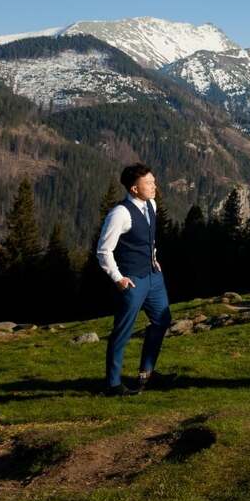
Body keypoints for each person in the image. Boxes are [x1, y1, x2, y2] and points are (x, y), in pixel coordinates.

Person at [95, 163, 174, 395]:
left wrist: (154, 257)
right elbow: (103, 251)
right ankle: (112, 384)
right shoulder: (119, 213)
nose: (154, 186)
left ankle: (146, 374)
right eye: (148, 183)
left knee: (162, 320)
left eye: (153, 181)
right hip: (132, 281)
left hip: (153, 276)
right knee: (123, 330)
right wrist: (118, 278)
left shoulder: (152, 205)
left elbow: (149, 238)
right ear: (134, 188)